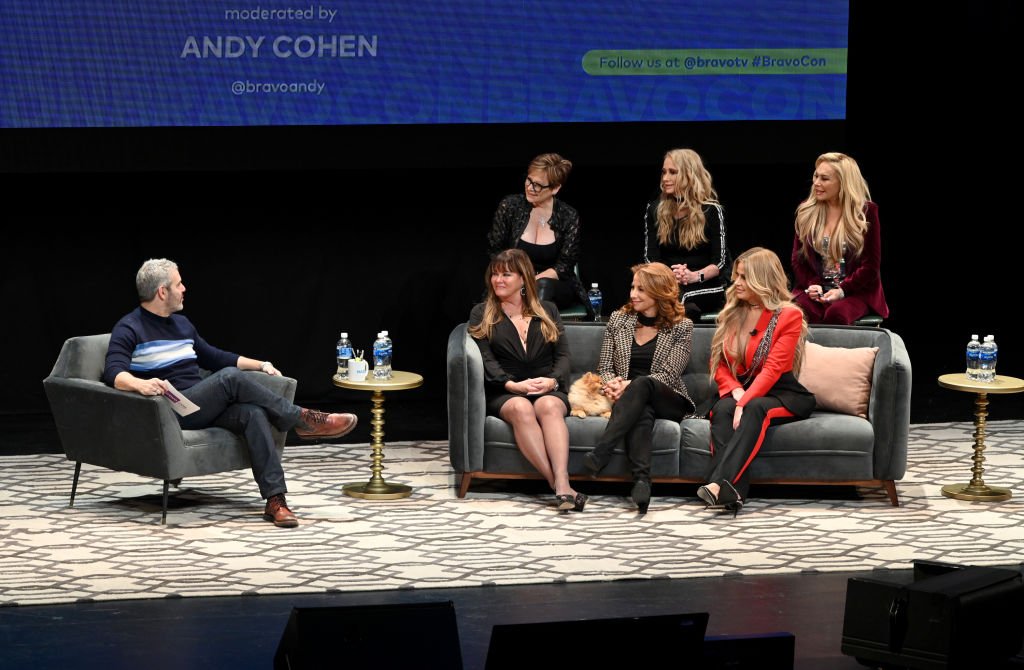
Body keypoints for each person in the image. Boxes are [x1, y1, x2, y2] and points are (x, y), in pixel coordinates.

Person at [102, 258, 358, 528]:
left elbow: (214, 357)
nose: (184, 288)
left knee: (253, 413)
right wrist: (140, 384)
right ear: (162, 292)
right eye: (179, 284)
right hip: (172, 412)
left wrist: (261, 364)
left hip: (201, 405)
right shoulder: (130, 327)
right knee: (229, 379)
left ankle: (275, 500)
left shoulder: (181, 324)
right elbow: (113, 372)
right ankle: (303, 419)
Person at [468, 248, 586, 513]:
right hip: (505, 389)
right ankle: (561, 486)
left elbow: (564, 356)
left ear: (523, 279)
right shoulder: (481, 313)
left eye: (506, 275)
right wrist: (510, 384)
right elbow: (486, 359)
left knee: (549, 406)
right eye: (495, 274)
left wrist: (552, 382)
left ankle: (562, 481)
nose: (498, 280)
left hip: (547, 387)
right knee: (521, 408)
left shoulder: (548, 310)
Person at [698, 247, 815, 516]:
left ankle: (718, 481)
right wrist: (736, 391)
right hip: (743, 390)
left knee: (754, 408)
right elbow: (719, 363)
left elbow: (773, 369)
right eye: (737, 276)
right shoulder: (733, 312)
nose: (736, 282)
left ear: (762, 279)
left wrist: (745, 402)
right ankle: (733, 493)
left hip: (782, 393)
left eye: (744, 277)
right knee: (722, 409)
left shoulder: (788, 315)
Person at [582, 262, 695, 514]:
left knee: (643, 383)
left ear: (660, 291)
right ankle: (642, 482)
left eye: (641, 289)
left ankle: (602, 451)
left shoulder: (682, 326)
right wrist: (612, 383)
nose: (633, 294)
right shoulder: (619, 319)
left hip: (668, 398)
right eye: (633, 287)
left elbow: (669, 374)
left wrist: (627, 385)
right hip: (630, 401)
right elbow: (605, 366)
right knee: (642, 410)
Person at [486, 152, 591, 317]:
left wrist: (529, 282)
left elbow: (563, 267)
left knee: (543, 286)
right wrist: (513, 280)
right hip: (512, 281)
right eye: (529, 180)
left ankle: (531, 329)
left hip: (553, 285)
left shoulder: (568, 216)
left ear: (555, 188)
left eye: (538, 185)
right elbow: (495, 251)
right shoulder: (510, 207)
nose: (530, 188)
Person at [791, 151, 889, 324]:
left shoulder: (866, 212)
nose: (816, 183)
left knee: (836, 314)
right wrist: (814, 284)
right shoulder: (807, 211)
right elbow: (798, 260)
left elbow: (870, 267)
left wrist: (842, 290)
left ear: (843, 183)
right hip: (817, 288)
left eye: (824, 179)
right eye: (816, 176)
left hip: (855, 291)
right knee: (798, 311)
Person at [643, 148, 729, 322]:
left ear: (689, 175)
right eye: (664, 172)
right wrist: (671, 276)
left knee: (681, 299)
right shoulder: (655, 209)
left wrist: (693, 276)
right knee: (645, 297)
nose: (665, 178)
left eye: (673, 172)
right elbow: (650, 258)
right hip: (668, 283)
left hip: (705, 283)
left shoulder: (712, 210)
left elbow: (720, 262)